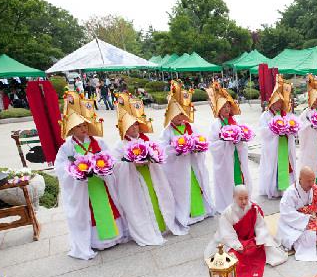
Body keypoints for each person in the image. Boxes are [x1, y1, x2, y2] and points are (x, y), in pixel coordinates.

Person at [55, 91, 128, 259]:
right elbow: (60, 166)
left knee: (108, 206)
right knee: (89, 212)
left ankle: (114, 236)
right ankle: (96, 241)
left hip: (101, 183)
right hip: (83, 187)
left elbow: (109, 157)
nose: (83, 129)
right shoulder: (67, 147)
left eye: (85, 125)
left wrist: (103, 165)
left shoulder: (99, 142)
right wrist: (77, 170)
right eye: (79, 126)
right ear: (71, 128)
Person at [113, 93, 187, 245]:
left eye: (136, 124)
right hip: (135, 181)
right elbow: (115, 165)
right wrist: (131, 163)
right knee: (141, 204)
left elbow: (160, 154)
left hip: (152, 177)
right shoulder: (120, 145)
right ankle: (148, 229)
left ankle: (162, 225)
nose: (134, 128)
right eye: (131, 125)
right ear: (124, 128)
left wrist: (153, 157)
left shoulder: (145, 140)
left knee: (157, 198)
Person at [160, 80, 214, 227]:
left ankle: (201, 210)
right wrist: (176, 149)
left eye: (183, 114)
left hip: (193, 163)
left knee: (198, 185)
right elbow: (162, 149)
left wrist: (197, 146)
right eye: (177, 114)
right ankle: (187, 213)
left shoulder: (192, 127)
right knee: (183, 189)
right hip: (178, 168)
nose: (181, 117)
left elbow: (202, 140)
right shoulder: (167, 131)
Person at [205, 185, 288, 277]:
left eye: (246, 198)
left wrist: (260, 239)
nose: (244, 202)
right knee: (232, 257)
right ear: (234, 197)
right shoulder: (228, 213)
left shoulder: (253, 208)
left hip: (250, 239)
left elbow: (260, 226)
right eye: (240, 199)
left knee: (266, 249)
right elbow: (226, 233)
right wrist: (237, 245)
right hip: (235, 242)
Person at [207, 81, 252, 213]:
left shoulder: (236, 121)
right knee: (227, 181)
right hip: (226, 160)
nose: (227, 109)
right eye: (223, 107)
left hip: (237, 158)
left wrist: (241, 137)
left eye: (228, 106)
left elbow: (242, 135)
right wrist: (226, 141)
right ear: (218, 109)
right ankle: (229, 203)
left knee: (241, 178)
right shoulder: (216, 124)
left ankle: (242, 201)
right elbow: (213, 145)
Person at [277, 166, 317, 261]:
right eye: (308, 181)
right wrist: (306, 218)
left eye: (313, 180)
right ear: (300, 179)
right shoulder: (290, 193)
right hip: (295, 223)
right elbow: (287, 213)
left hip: (313, 220)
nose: (311, 184)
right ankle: (314, 237)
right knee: (299, 236)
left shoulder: (316, 189)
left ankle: (315, 237)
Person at [259, 75, 297, 199]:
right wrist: (275, 130)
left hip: (285, 145)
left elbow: (294, 127)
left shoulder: (286, 114)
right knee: (273, 166)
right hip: (273, 147)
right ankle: (275, 189)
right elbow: (263, 131)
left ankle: (287, 188)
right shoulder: (265, 115)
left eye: (281, 102)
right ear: (271, 102)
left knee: (287, 165)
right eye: (276, 102)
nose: (279, 105)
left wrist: (289, 129)